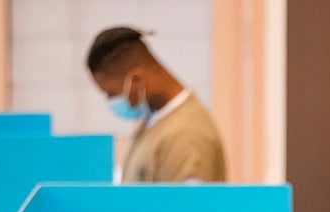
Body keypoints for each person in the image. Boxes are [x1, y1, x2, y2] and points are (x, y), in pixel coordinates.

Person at [86, 26, 226, 182]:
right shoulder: (151, 119)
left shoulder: (187, 134)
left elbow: (188, 205)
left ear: (136, 80)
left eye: (111, 93)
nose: (111, 101)